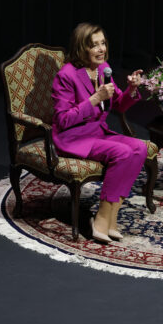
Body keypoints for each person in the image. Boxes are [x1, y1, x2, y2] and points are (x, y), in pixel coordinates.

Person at [52, 22, 146, 243]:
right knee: (122, 153)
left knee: (139, 148)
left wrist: (132, 89)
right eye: (94, 45)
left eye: (103, 43)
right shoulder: (66, 75)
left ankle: (111, 216)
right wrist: (94, 100)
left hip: (97, 133)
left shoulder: (104, 69)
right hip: (74, 138)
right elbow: (62, 119)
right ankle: (103, 217)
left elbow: (119, 105)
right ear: (81, 48)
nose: (101, 49)